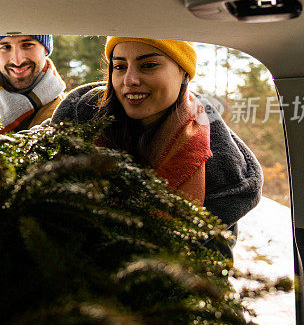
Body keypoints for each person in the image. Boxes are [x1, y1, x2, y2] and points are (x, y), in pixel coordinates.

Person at [51, 37, 261, 232]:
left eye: (148, 65)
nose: (130, 80)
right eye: (120, 67)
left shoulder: (220, 168)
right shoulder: (75, 123)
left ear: (184, 73)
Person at [0, 35, 66, 133]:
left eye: (27, 45)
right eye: (6, 47)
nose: (17, 61)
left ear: (46, 49)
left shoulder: (65, 113)